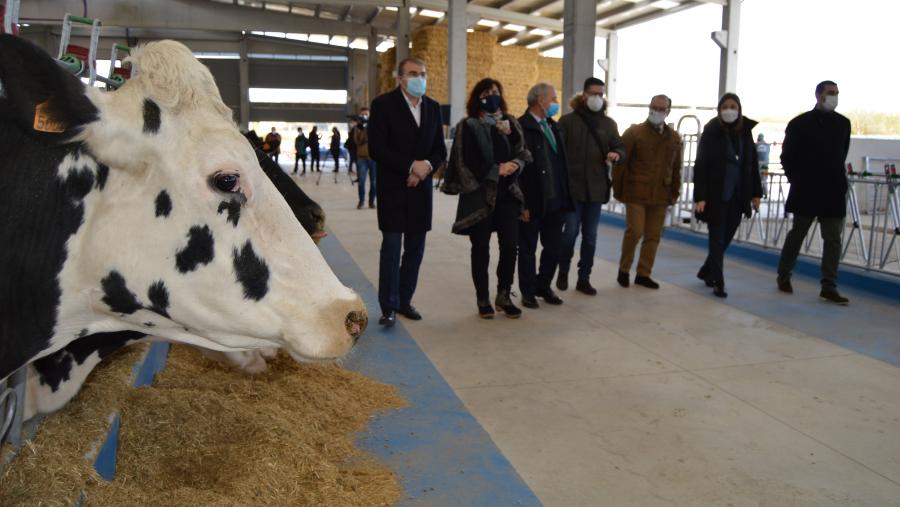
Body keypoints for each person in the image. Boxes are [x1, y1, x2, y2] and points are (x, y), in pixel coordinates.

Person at [368, 57, 447, 326]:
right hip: (393, 188)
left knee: (415, 249)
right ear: (399, 78)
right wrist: (410, 166)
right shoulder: (383, 105)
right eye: (413, 74)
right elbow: (377, 148)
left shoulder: (434, 108)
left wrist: (425, 168)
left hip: (421, 190)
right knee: (391, 248)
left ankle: (404, 300)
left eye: (423, 74)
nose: (419, 79)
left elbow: (440, 150)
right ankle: (388, 305)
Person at [443, 78, 530, 319]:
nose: (492, 96)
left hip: (508, 195)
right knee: (480, 248)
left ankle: (503, 293)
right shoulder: (468, 125)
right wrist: (495, 170)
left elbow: (523, 151)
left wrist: (515, 163)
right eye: (487, 92)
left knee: (511, 246)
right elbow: (465, 161)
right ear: (477, 97)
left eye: (496, 92)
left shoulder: (510, 123)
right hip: (481, 197)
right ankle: (482, 297)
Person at [776, 81, 852, 305]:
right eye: (830, 93)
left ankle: (829, 285)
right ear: (818, 95)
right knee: (797, 234)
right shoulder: (799, 124)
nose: (834, 96)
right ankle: (784, 275)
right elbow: (787, 156)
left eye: (836, 93)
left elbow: (842, 153)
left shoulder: (843, 124)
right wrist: (797, 179)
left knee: (833, 240)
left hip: (833, 191)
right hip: (806, 190)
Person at [556, 77, 625, 295]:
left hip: (596, 190)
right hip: (572, 189)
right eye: (593, 93)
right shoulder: (567, 122)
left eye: (600, 94)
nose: (597, 98)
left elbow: (620, 146)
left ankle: (584, 277)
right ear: (584, 95)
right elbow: (556, 151)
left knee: (591, 237)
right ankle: (563, 269)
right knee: (570, 233)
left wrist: (617, 154)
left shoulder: (609, 124)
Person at [693, 93, 763, 298]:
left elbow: (751, 164)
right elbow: (702, 165)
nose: (729, 110)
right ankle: (718, 281)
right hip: (716, 195)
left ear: (739, 109)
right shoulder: (712, 131)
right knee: (716, 238)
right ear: (719, 109)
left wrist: (756, 193)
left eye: (733, 106)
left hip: (737, 195)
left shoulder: (745, 132)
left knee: (726, 237)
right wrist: (700, 196)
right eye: (725, 106)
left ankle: (707, 271)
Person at [613, 94, 683, 289]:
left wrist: (675, 192)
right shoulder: (634, 133)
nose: (657, 111)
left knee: (653, 235)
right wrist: (618, 190)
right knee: (635, 231)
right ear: (649, 107)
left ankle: (643, 273)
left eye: (662, 109)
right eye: (654, 107)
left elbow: (676, 168)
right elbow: (620, 164)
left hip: (661, 193)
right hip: (635, 192)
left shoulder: (674, 138)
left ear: (668, 111)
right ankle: (624, 269)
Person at [517, 82, 573, 309]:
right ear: (541, 101)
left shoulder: (554, 126)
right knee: (528, 248)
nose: (556, 104)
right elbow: (519, 171)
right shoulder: (521, 127)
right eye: (554, 99)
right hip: (533, 200)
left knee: (553, 247)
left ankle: (544, 285)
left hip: (556, 200)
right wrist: (522, 204)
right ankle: (528, 291)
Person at [354, 107, 376, 209]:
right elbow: (357, 142)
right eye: (362, 114)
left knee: (374, 182)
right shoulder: (358, 127)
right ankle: (361, 201)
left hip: (374, 158)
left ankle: (371, 202)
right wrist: (361, 129)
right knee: (361, 181)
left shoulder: (374, 125)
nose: (364, 116)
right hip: (362, 158)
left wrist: (369, 127)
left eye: (366, 114)